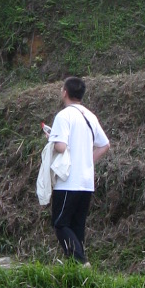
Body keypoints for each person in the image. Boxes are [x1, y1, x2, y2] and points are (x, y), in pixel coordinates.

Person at [47, 76, 110, 264]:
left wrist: (51, 138)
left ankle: (81, 262)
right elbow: (104, 145)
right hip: (86, 182)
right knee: (77, 227)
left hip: (68, 181)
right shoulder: (90, 116)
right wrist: (87, 161)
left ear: (65, 92)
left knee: (60, 224)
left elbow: (60, 147)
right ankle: (75, 269)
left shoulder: (63, 115)